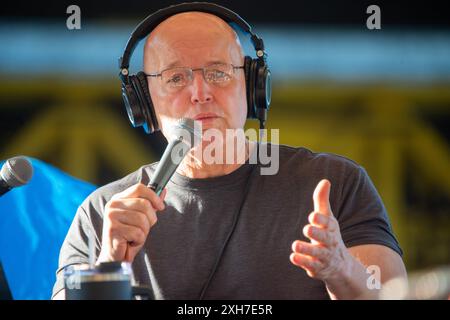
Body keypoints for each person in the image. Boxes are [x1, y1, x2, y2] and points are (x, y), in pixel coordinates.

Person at [52, 4, 406, 300]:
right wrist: (109, 265)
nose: (200, 92)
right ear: (143, 103)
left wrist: (341, 269)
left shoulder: (336, 184)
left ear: (252, 88)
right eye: (176, 78)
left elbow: (391, 293)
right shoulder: (101, 215)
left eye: (218, 73)